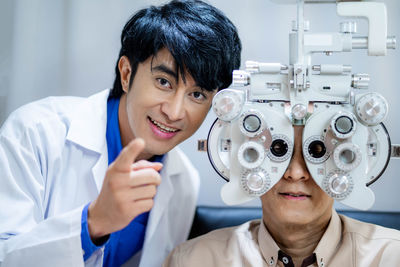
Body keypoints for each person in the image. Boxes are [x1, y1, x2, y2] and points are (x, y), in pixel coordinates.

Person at [0, 1, 241, 266]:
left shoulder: (183, 182)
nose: (174, 112)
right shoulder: (34, 132)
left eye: (197, 94)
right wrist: (92, 223)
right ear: (126, 74)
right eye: (164, 82)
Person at [163, 125, 400, 267]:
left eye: (317, 152)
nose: (295, 173)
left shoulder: (391, 257)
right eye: (277, 151)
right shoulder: (194, 260)